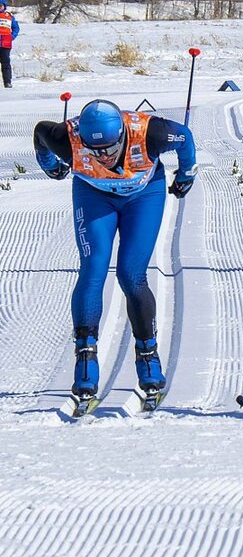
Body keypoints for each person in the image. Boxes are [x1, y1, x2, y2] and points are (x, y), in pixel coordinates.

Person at [33, 99, 197, 416]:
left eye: (110, 148)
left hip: (143, 195)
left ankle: (148, 355)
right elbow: (40, 132)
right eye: (96, 151)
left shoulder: (152, 132)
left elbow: (185, 137)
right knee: (93, 269)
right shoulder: (66, 138)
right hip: (94, 196)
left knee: (130, 274)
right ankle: (85, 354)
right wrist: (49, 163)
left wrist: (186, 173)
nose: (104, 156)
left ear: (122, 133)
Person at [0, 0, 20, 88]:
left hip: (5, 44)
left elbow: (16, 28)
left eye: (1, 5)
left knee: (6, 64)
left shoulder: (9, 16)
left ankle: (7, 82)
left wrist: (11, 37)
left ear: (4, 6)